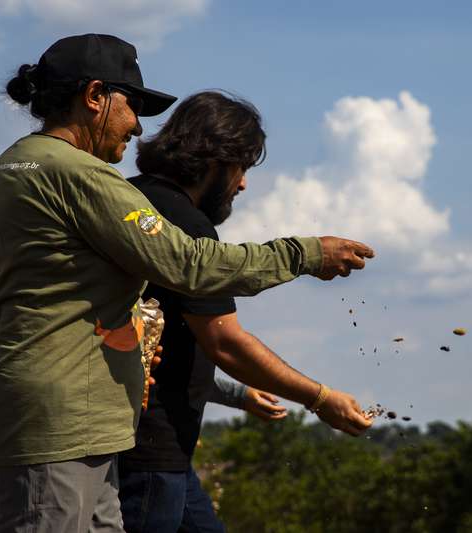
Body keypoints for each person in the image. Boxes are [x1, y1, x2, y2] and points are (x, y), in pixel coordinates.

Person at [0, 34, 373, 532]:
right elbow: (191, 266)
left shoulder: (10, 166)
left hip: (59, 419)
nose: (139, 125)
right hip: (60, 426)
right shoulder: (79, 175)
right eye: (133, 105)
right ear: (94, 96)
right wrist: (307, 252)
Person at [118, 92, 372, 532]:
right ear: (214, 160)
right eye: (242, 169)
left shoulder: (131, 198)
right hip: (150, 455)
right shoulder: (187, 224)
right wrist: (320, 398)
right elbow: (225, 343)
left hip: (156, 447)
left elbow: (165, 338)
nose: (243, 184)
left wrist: (236, 394)